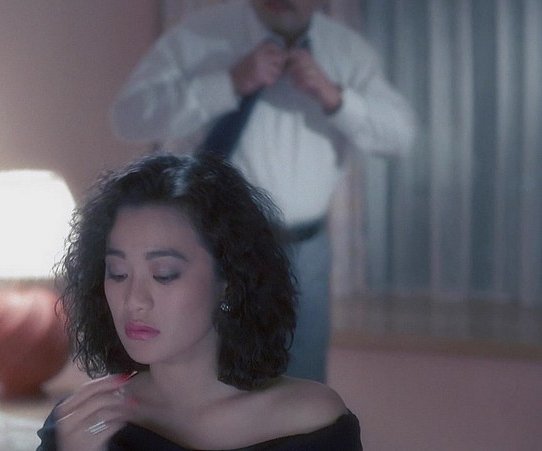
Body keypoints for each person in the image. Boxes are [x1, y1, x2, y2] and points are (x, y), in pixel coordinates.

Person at [108, 0, 417, 382]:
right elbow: (128, 117)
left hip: (304, 253)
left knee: (302, 383)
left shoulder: (346, 51)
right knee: (208, 379)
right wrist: (226, 84)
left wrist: (337, 99)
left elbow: (401, 137)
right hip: (212, 247)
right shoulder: (198, 37)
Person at [37, 152, 361, 450]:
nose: (134, 300)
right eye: (118, 273)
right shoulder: (84, 424)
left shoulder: (310, 421)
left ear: (229, 283)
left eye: (164, 275)